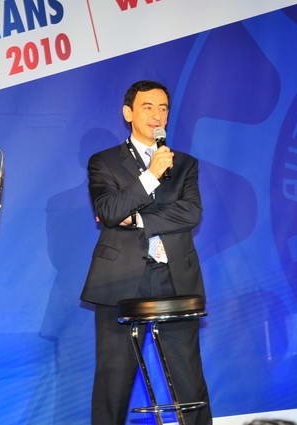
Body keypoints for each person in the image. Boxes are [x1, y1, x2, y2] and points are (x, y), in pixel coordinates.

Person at [81, 80, 211, 425]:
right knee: (113, 380)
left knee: (188, 377)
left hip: (174, 276)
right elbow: (109, 210)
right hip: (119, 277)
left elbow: (191, 213)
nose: (157, 115)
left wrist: (138, 218)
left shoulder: (184, 164)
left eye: (163, 108)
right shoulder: (103, 162)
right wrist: (151, 175)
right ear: (128, 113)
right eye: (148, 107)